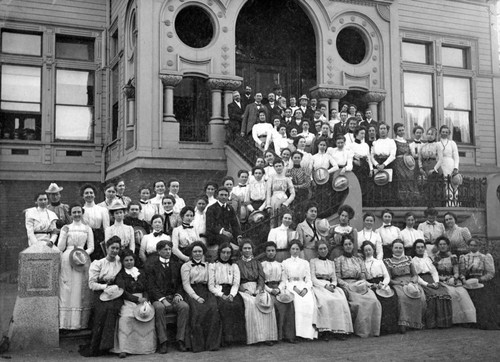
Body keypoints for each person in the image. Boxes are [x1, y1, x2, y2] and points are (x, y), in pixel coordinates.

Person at [80, 236, 123, 357]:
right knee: (104, 310)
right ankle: (99, 346)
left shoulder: (119, 262)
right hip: (100, 292)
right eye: (112, 248)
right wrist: (105, 286)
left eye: (117, 248)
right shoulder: (98, 264)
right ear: (107, 248)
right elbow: (91, 284)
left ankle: (110, 346)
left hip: (116, 292)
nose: (114, 251)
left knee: (113, 308)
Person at [145, 240, 189, 354]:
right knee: (159, 308)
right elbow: (151, 287)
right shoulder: (152, 266)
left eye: (169, 249)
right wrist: (163, 300)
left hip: (173, 297)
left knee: (184, 306)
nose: (168, 251)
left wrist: (178, 294)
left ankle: (180, 339)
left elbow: (180, 283)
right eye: (165, 249)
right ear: (158, 251)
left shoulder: (176, 265)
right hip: (158, 299)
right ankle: (163, 342)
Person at [111, 249, 156, 357]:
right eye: (126, 260)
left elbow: (147, 287)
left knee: (147, 315)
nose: (129, 262)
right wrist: (136, 300)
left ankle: (145, 347)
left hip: (143, 300)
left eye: (131, 259)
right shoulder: (120, 275)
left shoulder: (141, 272)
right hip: (128, 300)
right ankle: (124, 348)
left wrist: (145, 298)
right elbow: (122, 291)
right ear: (122, 262)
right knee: (126, 318)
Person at [335, 236, 382, 338]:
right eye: (346, 244)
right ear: (342, 246)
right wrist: (347, 285)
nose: (348, 246)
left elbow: (363, 276)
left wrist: (363, 283)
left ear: (353, 245)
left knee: (374, 300)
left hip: (360, 284)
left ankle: (374, 331)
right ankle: (362, 331)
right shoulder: (338, 260)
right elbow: (337, 278)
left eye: (350, 244)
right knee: (360, 303)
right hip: (347, 285)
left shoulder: (358, 260)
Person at [58, 203, 94, 330]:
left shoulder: (87, 228)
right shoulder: (66, 227)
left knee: (80, 287)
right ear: (70, 214)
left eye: (79, 212)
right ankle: (65, 323)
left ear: (82, 213)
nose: (77, 214)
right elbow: (60, 247)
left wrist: (83, 255)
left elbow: (91, 247)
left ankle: (79, 323)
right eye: (74, 212)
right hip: (67, 258)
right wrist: (63, 234)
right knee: (67, 287)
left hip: (82, 259)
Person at [180, 242, 221, 352]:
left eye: (199, 251)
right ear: (191, 253)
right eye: (195, 251)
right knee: (197, 311)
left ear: (203, 253)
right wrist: (196, 297)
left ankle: (212, 344)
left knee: (213, 309)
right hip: (192, 291)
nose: (197, 254)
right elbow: (186, 285)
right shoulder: (186, 266)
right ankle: (198, 345)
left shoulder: (208, 266)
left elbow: (211, 284)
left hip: (206, 291)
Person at [236, 240, 278, 345]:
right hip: (244, 288)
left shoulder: (257, 262)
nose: (247, 250)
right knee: (251, 303)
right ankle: (256, 337)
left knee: (266, 300)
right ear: (241, 250)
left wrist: (259, 288)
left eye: (249, 248)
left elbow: (261, 278)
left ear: (252, 249)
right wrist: (245, 290)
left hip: (257, 287)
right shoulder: (237, 264)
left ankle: (268, 336)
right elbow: (236, 280)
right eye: (245, 248)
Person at [310, 241, 353, 340]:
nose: (323, 250)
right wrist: (325, 286)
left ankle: (339, 330)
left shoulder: (331, 262)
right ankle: (325, 331)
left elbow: (334, 278)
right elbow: (313, 278)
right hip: (319, 286)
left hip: (331, 286)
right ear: (317, 251)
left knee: (340, 300)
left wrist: (333, 285)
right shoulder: (313, 261)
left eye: (325, 248)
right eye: (320, 249)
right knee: (324, 301)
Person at [208, 243, 246, 345]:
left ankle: (237, 338)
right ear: (219, 253)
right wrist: (221, 295)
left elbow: (236, 283)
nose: (226, 255)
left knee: (238, 305)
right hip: (218, 290)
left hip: (231, 290)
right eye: (223, 252)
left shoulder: (234, 266)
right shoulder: (213, 266)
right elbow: (211, 286)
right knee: (224, 306)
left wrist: (232, 295)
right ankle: (225, 339)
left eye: (228, 253)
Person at [384, 239, 426, 333]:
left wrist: (412, 281)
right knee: (402, 298)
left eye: (400, 248)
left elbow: (415, 274)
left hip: (410, 281)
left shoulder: (408, 259)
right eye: (396, 248)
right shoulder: (388, 261)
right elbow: (389, 279)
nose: (398, 250)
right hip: (398, 283)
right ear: (392, 249)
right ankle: (404, 324)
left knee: (420, 296)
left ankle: (416, 323)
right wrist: (398, 283)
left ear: (403, 249)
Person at [434, 236, 476, 325]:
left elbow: (456, 271)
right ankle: (455, 320)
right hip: (442, 281)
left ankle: (467, 319)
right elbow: (434, 273)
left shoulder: (452, 257)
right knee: (452, 294)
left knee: (462, 293)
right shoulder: (436, 258)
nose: (442, 246)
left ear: (448, 245)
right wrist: (445, 278)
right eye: (440, 244)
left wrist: (454, 277)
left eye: (444, 244)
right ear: (438, 246)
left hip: (454, 280)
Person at [260, 242, 296, 343]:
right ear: (265, 252)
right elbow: (261, 281)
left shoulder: (280, 265)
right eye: (268, 251)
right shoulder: (262, 265)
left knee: (288, 303)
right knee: (271, 304)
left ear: (276, 252)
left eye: (272, 251)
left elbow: (283, 280)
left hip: (278, 288)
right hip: (267, 289)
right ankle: (271, 336)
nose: (271, 253)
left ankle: (287, 335)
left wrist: (279, 289)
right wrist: (271, 290)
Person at [411, 239, 453, 329]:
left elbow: (434, 271)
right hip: (422, 281)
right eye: (418, 247)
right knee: (433, 295)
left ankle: (443, 322)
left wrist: (436, 282)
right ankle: (432, 323)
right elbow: (416, 276)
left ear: (425, 248)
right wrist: (427, 285)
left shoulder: (428, 259)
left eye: (422, 247)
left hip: (432, 279)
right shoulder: (413, 261)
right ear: (415, 249)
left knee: (444, 293)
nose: (420, 249)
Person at [360, 240, 399, 335]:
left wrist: (383, 284)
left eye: (369, 249)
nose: (368, 252)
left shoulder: (379, 262)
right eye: (366, 250)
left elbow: (387, 276)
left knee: (392, 298)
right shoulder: (362, 264)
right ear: (363, 252)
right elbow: (363, 279)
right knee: (378, 300)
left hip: (382, 283)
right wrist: (371, 285)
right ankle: (381, 328)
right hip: (371, 285)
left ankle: (392, 327)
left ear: (373, 250)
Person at [460, 238, 499, 329]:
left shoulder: (485, 257)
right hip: (468, 282)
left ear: (479, 246)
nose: (473, 247)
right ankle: (470, 321)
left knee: (484, 298)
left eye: (475, 245)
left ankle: (483, 322)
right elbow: (461, 272)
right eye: (471, 245)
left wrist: (480, 279)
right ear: (468, 246)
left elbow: (490, 273)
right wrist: (463, 280)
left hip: (482, 281)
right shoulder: (464, 257)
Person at [282, 240, 317, 340]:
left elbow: (309, 279)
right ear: (289, 250)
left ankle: (307, 333)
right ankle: (298, 333)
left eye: (297, 249)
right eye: (293, 248)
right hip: (291, 286)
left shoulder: (305, 263)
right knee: (297, 303)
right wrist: (294, 289)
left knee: (309, 303)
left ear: (300, 250)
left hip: (303, 285)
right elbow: (284, 280)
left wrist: (306, 289)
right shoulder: (285, 263)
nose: (295, 251)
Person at [205, 187, 242, 260]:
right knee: (225, 239)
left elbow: (235, 224)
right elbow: (211, 225)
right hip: (213, 235)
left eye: (225, 195)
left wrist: (238, 236)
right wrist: (223, 231)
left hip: (227, 235)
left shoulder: (230, 208)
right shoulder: (211, 208)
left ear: (228, 196)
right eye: (221, 195)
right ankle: (223, 260)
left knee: (242, 243)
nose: (223, 197)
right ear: (217, 196)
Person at [81, 184, 110, 260]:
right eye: (86, 193)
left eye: (91, 193)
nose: (89, 195)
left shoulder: (102, 210)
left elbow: (106, 228)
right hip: (85, 238)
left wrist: (107, 244)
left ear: (94, 195)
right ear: (83, 196)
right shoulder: (80, 210)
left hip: (98, 238)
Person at [393, 123, 419, 205]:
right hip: (399, 163)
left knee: (410, 179)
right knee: (402, 180)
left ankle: (411, 201)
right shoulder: (394, 141)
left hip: (407, 164)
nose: (401, 132)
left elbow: (410, 153)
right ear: (396, 132)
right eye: (399, 130)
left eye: (402, 130)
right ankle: (403, 201)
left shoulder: (407, 142)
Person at [266, 158, 295, 227]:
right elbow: (269, 191)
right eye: (276, 166)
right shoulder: (271, 177)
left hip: (283, 199)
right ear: (274, 167)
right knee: (273, 220)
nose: (278, 168)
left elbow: (293, 193)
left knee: (282, 219)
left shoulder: (287, 178)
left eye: (280, 166)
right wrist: (268, 204)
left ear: (283, 166)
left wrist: (287, 202)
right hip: (274, 199)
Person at [350, 127, 373, 197]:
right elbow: (350, 157)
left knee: (366, 185)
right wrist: (354, 161)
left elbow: (369, 157)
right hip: (357, 166)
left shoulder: (365, 145)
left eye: (364, 134)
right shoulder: (351, 145)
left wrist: (371, 169)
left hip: (365, 166)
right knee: (358, 184)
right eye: (361, 133)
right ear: (356, 134)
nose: (363, 135)